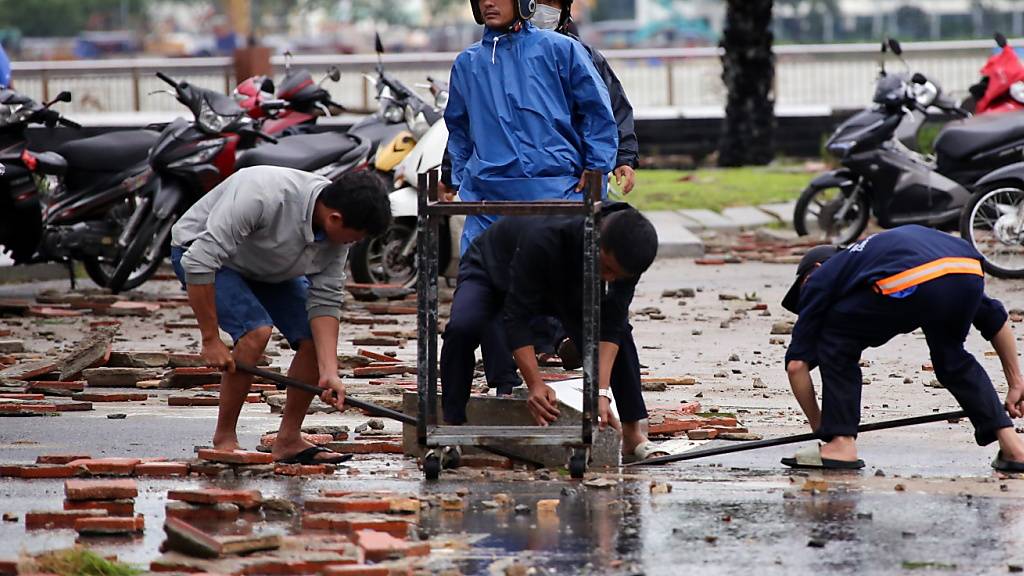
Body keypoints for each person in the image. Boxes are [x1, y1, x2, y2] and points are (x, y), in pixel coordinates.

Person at [441, 0, 619, 395]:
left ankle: (600, 394)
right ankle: (503, 386)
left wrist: (598, 164)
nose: (489, 2)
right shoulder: (467, 64)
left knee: (575, 297)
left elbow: (597, 108)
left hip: (556, 194)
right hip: (489, 199)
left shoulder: (561, 49)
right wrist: (459, 175)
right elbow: (459, 128)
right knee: (484, 297)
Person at [170, 166, 392, 464]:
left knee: (313, 338)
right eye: (355, 237)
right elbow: (199, 261)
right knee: (255, 332)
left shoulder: (336, 233)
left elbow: (325, 301)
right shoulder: (263, 194)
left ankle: (288, 440)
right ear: (335, 218)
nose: (352, 244)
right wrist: (211, 339)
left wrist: (329, 372)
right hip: (202, 255)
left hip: (270, 267)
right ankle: (224, 438)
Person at [781, 225, 1024, 471]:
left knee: (835, 340)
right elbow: (995, 319)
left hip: (911, 279)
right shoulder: (881, 258)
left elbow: (796, 366)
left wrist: (823, 429)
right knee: (951, 358)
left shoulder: (821, 276)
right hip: (967, 267)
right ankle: (1013, 447)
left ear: (812, 273)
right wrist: (1016, 382)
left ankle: (842, 445)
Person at [440, 203, 664, 460]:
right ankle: (451, 427)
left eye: (618, 275)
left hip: (565, 280)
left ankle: (632, 434)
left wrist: (600, 393)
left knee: (621, 333)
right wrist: (536, 384)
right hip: (493, 269)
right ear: (597, 243)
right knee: (462, 327)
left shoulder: (629, 250)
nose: (611, 279)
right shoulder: (547, 235)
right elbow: (516, 316)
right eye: (608, 269)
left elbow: (611, 325)